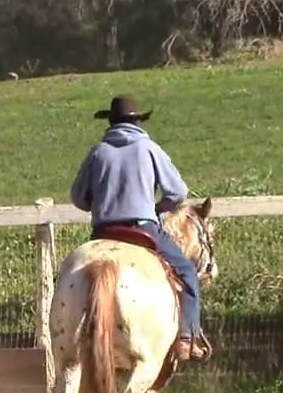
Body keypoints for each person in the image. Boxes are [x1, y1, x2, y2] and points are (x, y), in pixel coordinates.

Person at [68, 95, 209, 362]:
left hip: (103, 232)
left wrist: (98, 204)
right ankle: (187, 337)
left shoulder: (97, 152)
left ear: (110, 122)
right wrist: (158, 207)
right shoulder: (149, 148)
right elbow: (177, 193)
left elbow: (77, 197)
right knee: (188, 271)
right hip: (142, 229)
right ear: (137, 121)